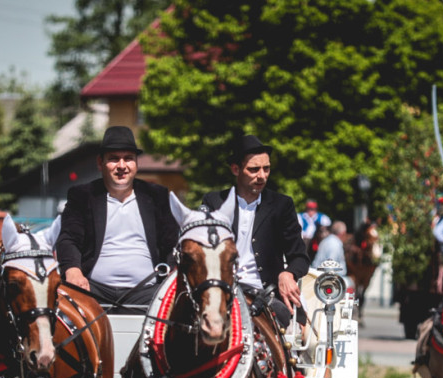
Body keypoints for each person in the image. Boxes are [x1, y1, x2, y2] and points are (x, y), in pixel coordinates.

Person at [56, 126, 179, 307]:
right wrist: (73, 270)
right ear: (100, 163)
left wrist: (172, 272)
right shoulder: (82, 196)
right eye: (114, 159)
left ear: (136, 163)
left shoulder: (156, 196)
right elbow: (68, 239)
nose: (122, 166)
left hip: (148, 291)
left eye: (128, 159)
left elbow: (173, 243)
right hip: (92, 289)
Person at [201, 134, 311, 329]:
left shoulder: (282, 205)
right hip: (221, 292)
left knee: (304, 338)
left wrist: (288, 274)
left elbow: (300, 257)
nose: (262, 176)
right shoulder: (214, 202)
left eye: (266, 168)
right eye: (254, 169)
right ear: (236, 169)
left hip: (267, 295)